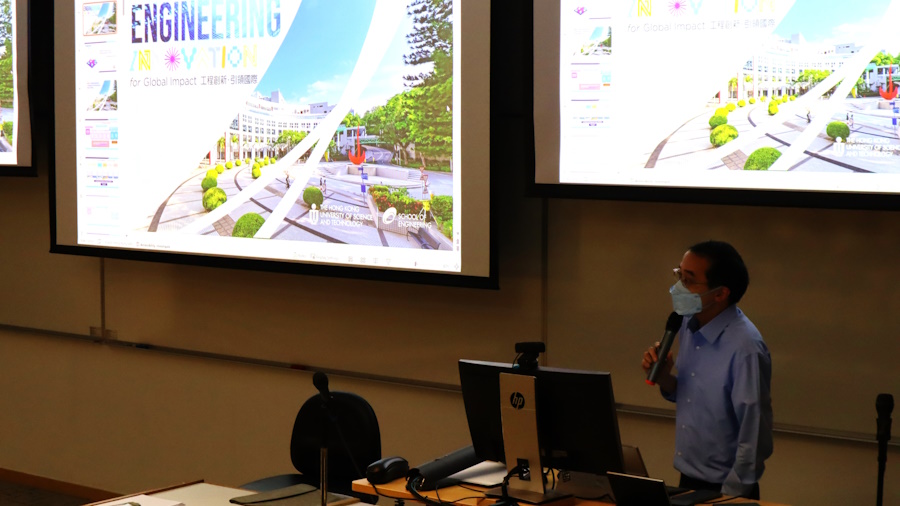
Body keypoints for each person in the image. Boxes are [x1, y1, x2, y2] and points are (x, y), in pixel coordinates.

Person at [641, 240, 773, 499]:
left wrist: (731, 495)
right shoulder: (690, 323)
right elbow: (693, 394)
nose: (679, 287)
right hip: (687, 478)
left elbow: (754, 437)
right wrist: (665, 378)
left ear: (720, 294)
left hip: (727, 488)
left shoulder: (746, 348)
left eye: (689, 280)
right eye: (679, 274)